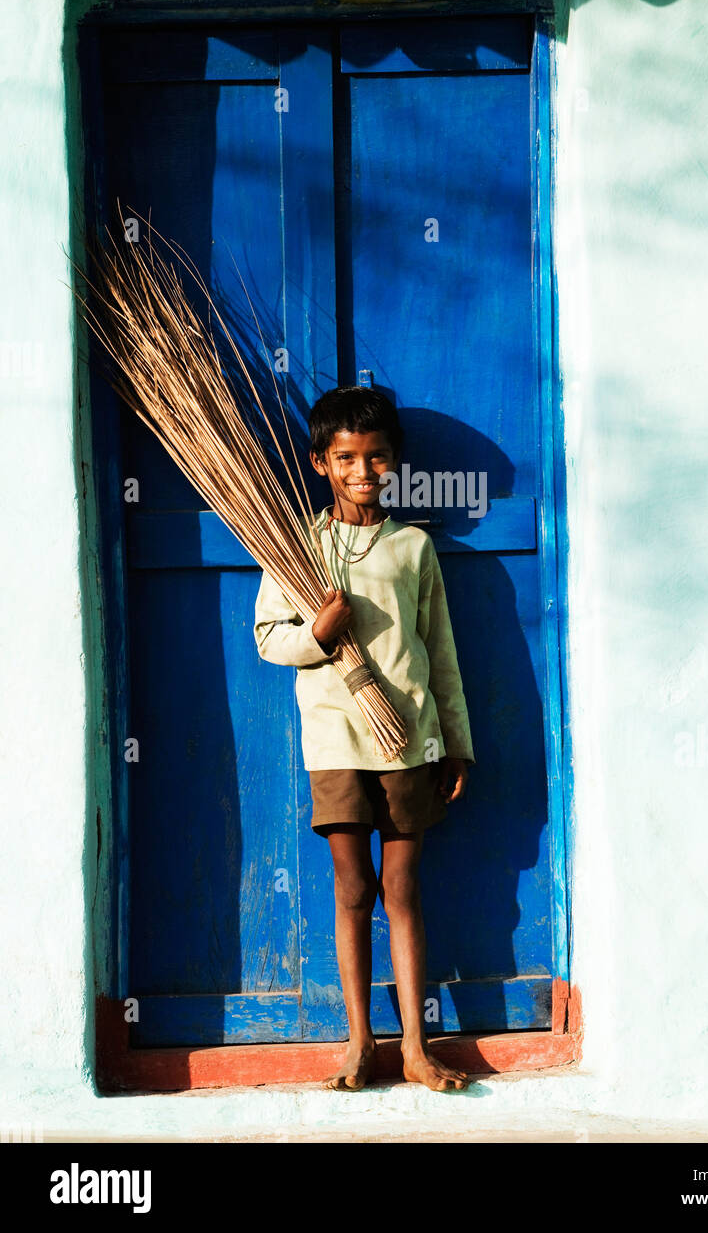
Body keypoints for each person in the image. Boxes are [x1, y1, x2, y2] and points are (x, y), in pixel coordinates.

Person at [253, 386, 475, 1092]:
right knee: (353, 886)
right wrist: (316, 635)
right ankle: (359, 1043)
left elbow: (440, 652)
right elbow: (267, 637)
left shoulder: (413, 548)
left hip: (409, 741)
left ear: (395, 463)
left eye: (376, 456)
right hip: (336, 743)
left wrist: (457, 741)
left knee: (402, 888)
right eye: (346, 456)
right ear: (320, 462)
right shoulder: (297, 547)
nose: (362, 469)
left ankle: (415, 1047)